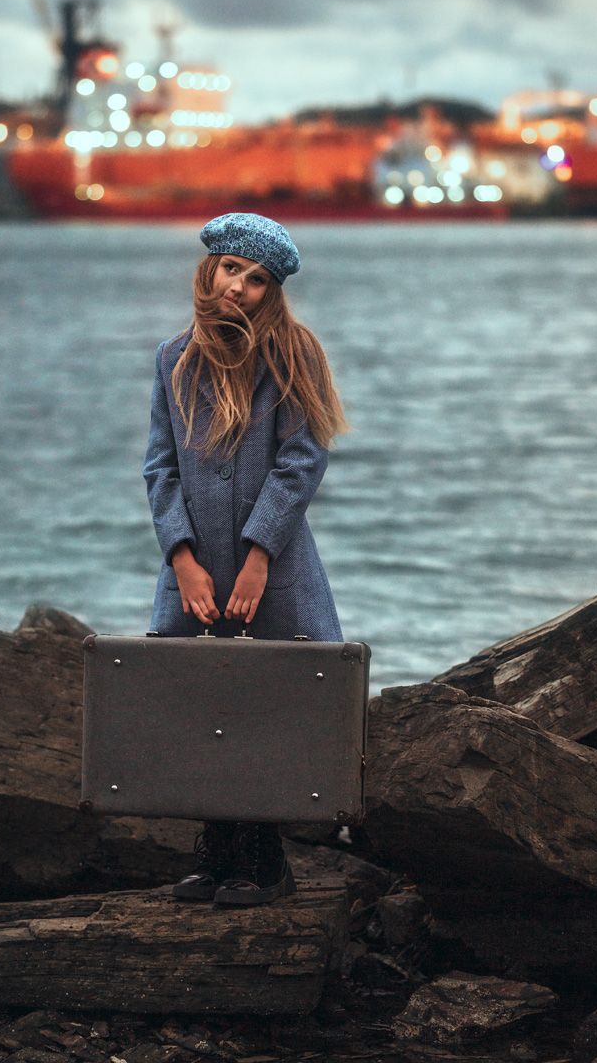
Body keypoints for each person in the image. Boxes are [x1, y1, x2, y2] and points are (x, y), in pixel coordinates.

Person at [142, 211, 348, 906]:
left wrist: (260, 555)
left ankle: (264, 863)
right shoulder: (173, 358)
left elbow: (302, 461)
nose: (238, 286)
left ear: (272, 292)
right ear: (211, 268)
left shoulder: (293, 353)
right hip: (195, 569)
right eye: (231, 268)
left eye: (256, 280)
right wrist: (181, 558)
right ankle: (217, 852)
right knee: (200, 702)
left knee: (267, 703)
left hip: (274, 566)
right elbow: (160, 467)